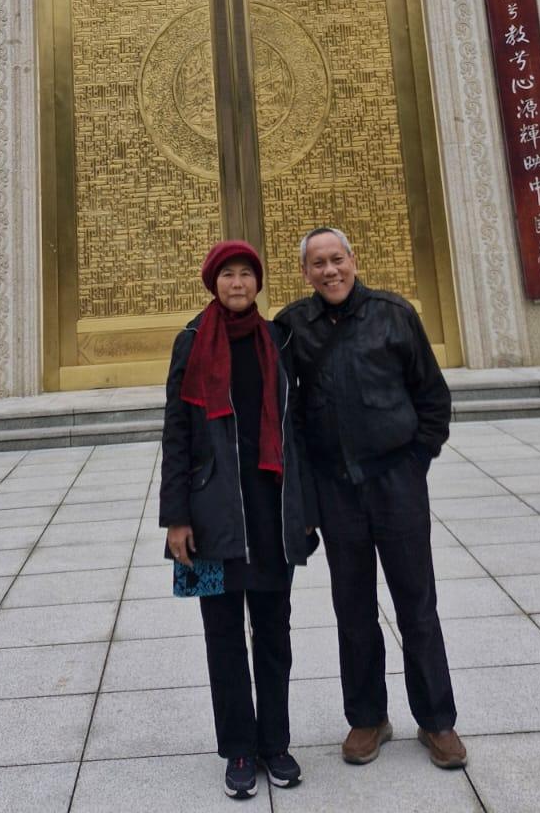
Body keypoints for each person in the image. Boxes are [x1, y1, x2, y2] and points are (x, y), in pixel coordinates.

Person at [276, 226, 466, 772]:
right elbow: (288, 413)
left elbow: (431, 395)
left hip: (396, 482)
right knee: (352, 607)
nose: (330, 271)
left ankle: (437, 720)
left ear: (354, 261)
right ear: (305, 272)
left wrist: (416, 460)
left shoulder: (393, 314)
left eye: (337, 259)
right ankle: (367, 716)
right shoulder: (294, 326)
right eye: (318, 263)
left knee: (416, 603)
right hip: (337, 488)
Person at [160, 239, 316, 800]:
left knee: (275, 633)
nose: (237, 284)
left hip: (272, 515)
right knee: (223, 637)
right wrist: (175, 517)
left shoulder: (278, 340)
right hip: (211, 518)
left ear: (258, 283)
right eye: (228, 275)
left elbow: (295, 432)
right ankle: (240, 750)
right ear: (212, 283)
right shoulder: (190, 343)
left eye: (247, 274)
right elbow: (177, 433)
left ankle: (275, 743)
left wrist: (304, 512)